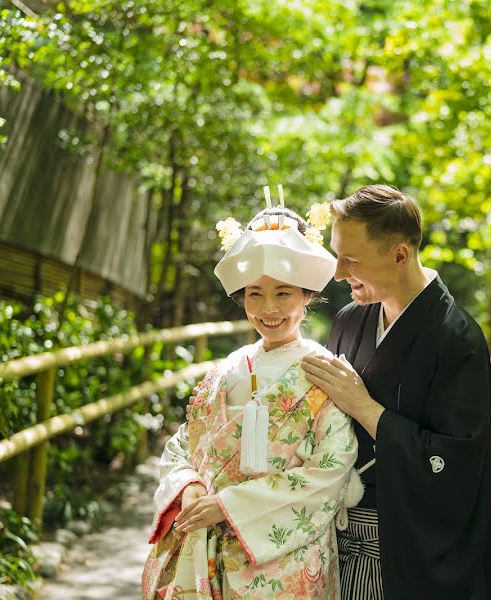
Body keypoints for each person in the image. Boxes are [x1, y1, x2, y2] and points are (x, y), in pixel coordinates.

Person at [142, 197, 359, 600]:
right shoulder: (226, 370)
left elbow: (331, 469)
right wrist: (189, 488)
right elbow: (183, 446)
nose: (268, 309)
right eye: (255, 294)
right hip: (209, 544)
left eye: (283, 293)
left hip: (285, 559)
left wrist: (227, 505)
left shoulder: (322, 371)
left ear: (307, 295)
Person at [301, 184, 491, 600]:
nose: (337, 274)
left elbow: (456, 465)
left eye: (350, 261)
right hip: (334, 533)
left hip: (406, 545)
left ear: (400, 255)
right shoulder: (350, 320)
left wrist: (366, 409)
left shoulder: (457, 339)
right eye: (336, 257)